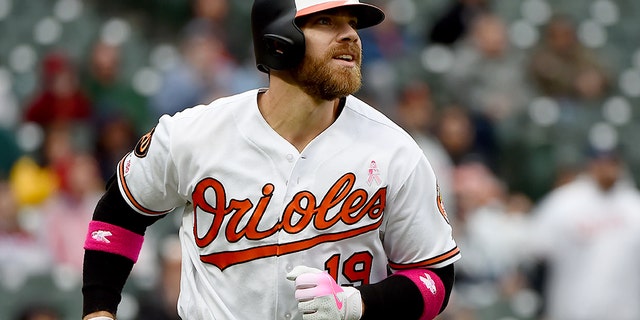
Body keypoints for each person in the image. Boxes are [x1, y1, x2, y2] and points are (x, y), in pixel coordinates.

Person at [82, 1, 460, 320]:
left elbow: (435, 277)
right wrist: (99, 310)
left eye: (353, 23)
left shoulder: (395, 151)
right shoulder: (196, 134)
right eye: (326, 21)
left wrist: (358, 303)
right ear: (278, 41)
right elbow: (121, 212)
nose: (350, 36)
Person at [527, 146, 640, 320]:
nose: (605, 167)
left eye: (611, 161)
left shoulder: (634, 206)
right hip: (570, 311)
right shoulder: (562, 202)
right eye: (600, 161)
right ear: (589, 164)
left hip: (626, 312)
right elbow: (538, 256)